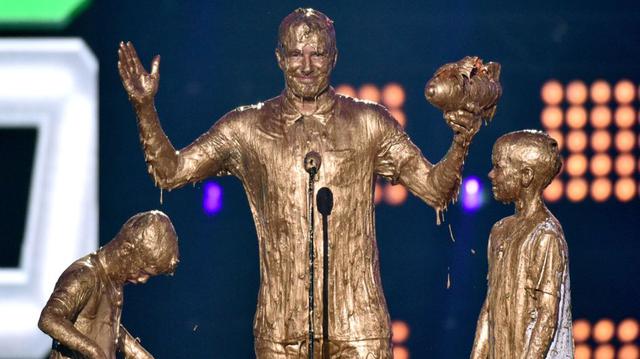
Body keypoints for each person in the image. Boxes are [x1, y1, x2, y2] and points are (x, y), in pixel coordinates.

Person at [118, 8, 485, 358]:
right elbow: (172, 171)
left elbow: (435, 189)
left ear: (334, 56)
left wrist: (461, 139)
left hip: (359, 325)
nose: (306, 66)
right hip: (282, 329)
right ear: (278, 57)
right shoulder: (247, 128)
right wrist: (145, 108)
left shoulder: (369, 123)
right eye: (295, 54)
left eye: (317, 54)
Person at [470, 130, 573, 359]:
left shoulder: (546, 235)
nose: (490, 175)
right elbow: (490, 309)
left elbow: (547, 316)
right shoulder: (499, 231)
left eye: (498, 167)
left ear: (525, 175)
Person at [38, 211, 180, 359]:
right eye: (142, 272)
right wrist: (93, 351)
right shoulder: (84, 275)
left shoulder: (114, 281)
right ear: (126, 250)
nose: (143, 280)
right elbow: (48, 319)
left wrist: (137, 352)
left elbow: (106, 325)